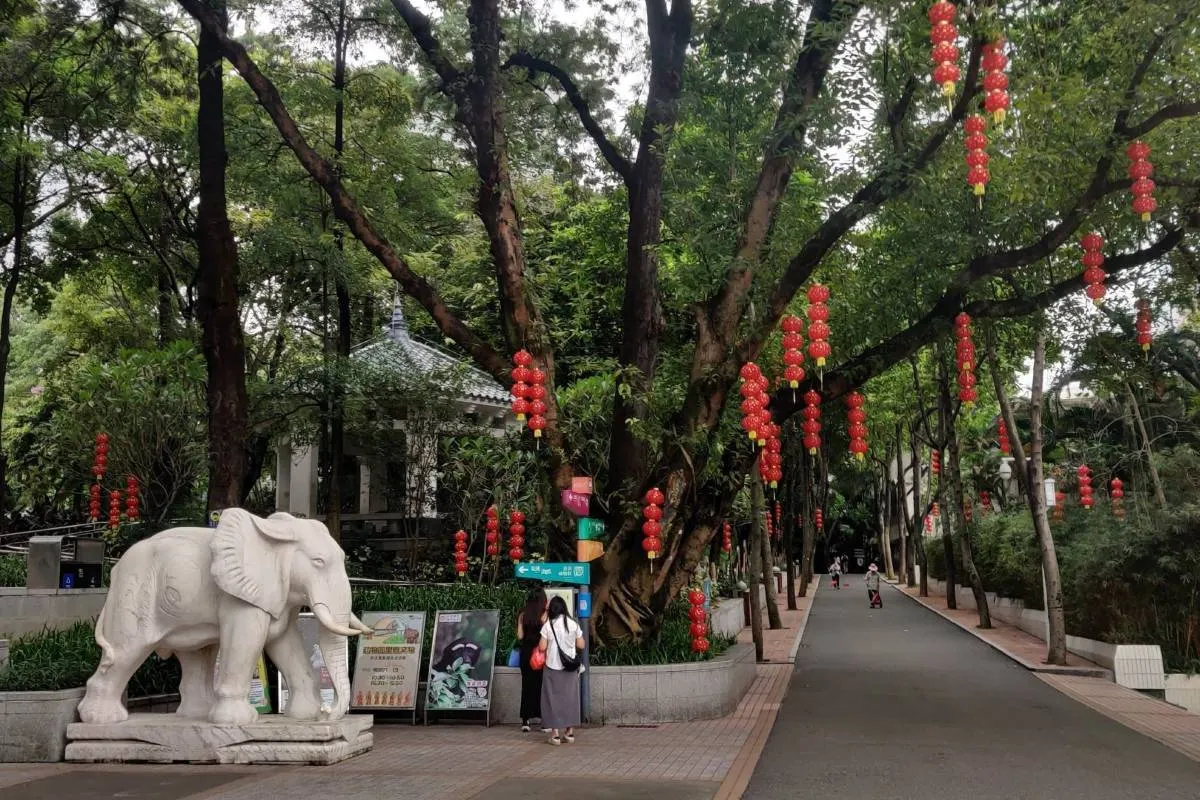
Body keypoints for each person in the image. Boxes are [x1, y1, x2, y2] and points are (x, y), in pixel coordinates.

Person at [538, 595, 585, 745]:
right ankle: (570, 732)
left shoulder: (548, 625)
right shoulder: (573, 624)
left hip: (552, 666)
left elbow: (542, 647)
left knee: (551, 700)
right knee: (570, 699)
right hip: (570, 668)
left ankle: (555, 734)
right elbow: (582, 645)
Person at [516, 587, 548, 732]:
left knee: (527, 685)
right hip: (540, 654)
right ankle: (543, 719)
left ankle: (525, 721)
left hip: (526, 653)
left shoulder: (523, 615)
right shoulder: (544, 615)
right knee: (541, 686)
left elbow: (520, 636)